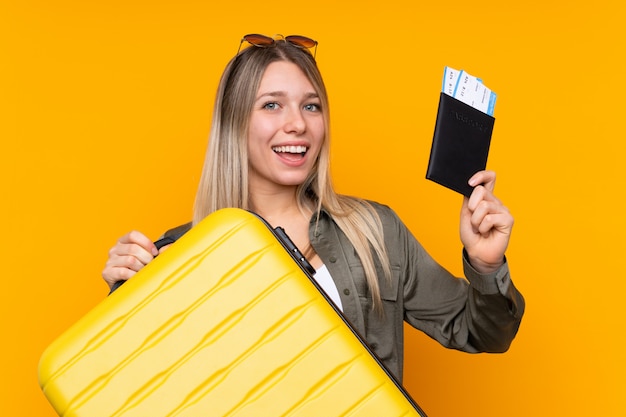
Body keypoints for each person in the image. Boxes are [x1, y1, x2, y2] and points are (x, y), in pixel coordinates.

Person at [102, 34, 525, 382]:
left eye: (311, 106)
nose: (298, 124)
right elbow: (135, 385)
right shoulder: (178, 255)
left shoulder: (376, 231)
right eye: (271, 105)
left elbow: (485, 333)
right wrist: (124, 301)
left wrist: (486, 266)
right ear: (234, 123)